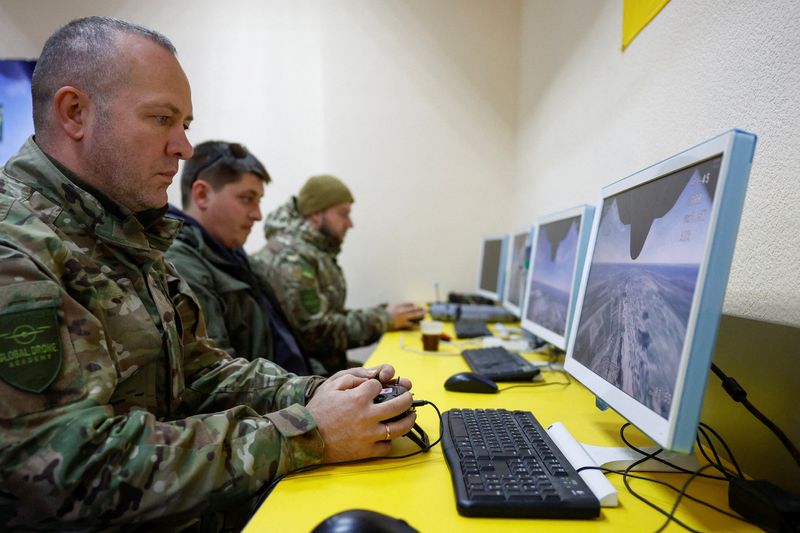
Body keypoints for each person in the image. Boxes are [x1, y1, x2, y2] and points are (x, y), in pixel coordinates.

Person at [0, 17, 415, 530]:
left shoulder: (125, 236)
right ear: (75, 112)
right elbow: (73, 471)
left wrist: (318, 393)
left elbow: (201, 374)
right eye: (161, 119)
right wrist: (309, 430)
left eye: (186, 125)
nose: (184, 147)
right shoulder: (15, 250)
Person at [253, 175, 425, 375]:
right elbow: (315, 333)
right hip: (304, 381)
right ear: (316, 214)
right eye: (343, 214)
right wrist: (383, 319)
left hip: (321, 370)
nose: (349, 223)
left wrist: (384, 314)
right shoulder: (291, 258)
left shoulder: (312, 251)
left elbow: (326, 315)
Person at [165, 140, 310, 375]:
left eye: (259, 201)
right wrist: (311, 394)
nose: (258, 214)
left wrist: (324, 383)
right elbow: (220, 379)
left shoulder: (233, 256)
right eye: (246, 198)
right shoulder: (182, 266)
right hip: (278, 407)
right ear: (202, 195)